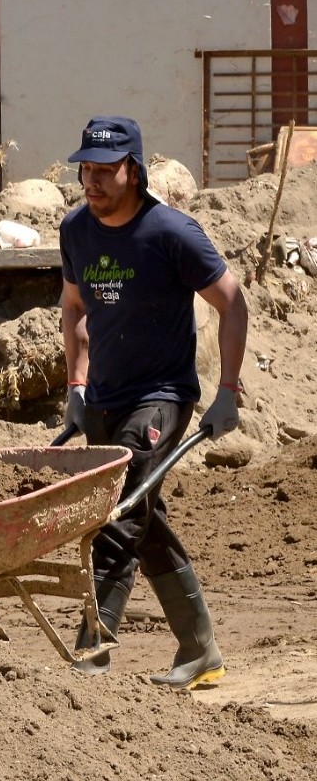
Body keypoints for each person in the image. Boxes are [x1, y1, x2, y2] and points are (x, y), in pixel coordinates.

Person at [60, 115, 248, 690]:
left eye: (104, 170)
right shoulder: (76, 231)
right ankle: (201, 649)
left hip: (162, 398)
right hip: (106, 400)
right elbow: (74, 309)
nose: (91, 181)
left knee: (115, 518)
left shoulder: (171, 232)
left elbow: (233, 302)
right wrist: (75, 387)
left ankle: (90, 657)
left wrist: (228, 393)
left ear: (133, 170)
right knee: (145, 517)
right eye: (86, 169)